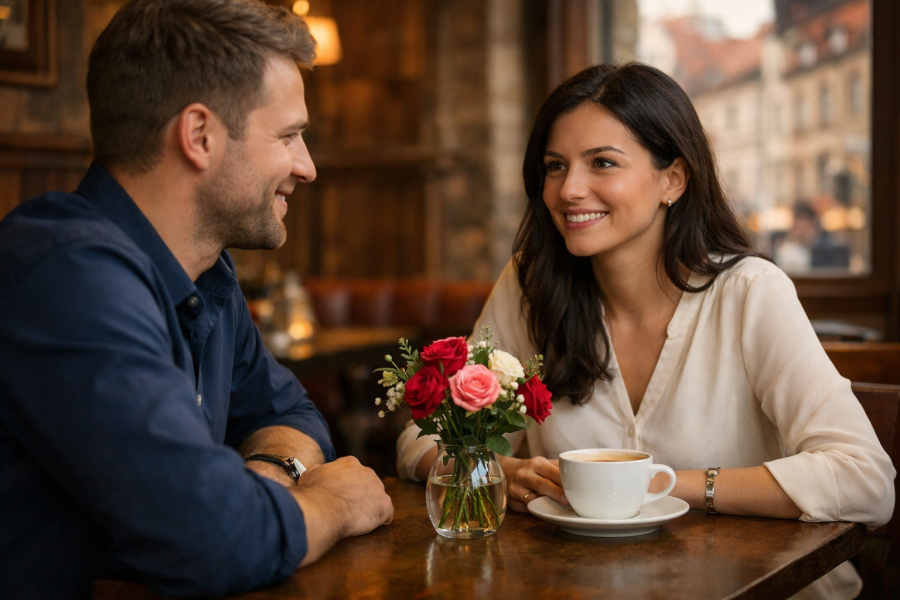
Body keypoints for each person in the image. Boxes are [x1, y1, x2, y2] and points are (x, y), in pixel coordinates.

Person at [397, 63, 894, 599]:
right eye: (555, 166)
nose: (570, 190)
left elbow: (863, 479)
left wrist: (665, 484)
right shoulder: (530, 287)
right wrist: (502, 470)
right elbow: (416, 443)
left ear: (672, 180)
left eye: (603, 163)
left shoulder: (750, 291)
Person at [0, 1, 393, 598]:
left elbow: (288, 414)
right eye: (288, 136)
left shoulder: (206, 275)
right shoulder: (66, 274)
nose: (307, 167)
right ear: (199, 135)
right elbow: (214, 535)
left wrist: (271, 474)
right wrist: (332, 502)